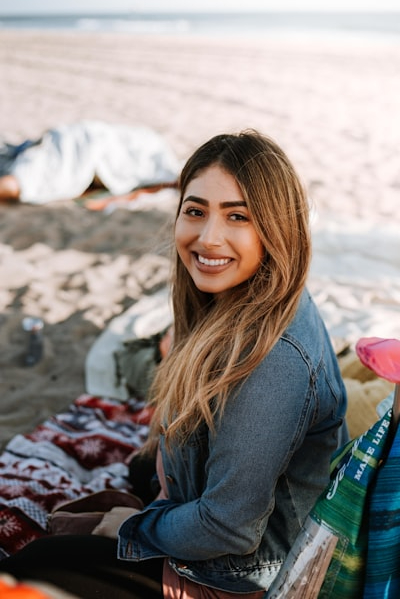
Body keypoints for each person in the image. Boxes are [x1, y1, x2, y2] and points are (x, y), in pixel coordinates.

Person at [0, 130, 348, 598]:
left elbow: (227, 530)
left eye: (237, 216)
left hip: (234, 577)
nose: (208, 238)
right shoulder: (234, 295)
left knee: (34, 563)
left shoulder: (274, 361)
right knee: (123, 483)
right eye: (196, 211)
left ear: (276, 228)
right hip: (200, 511)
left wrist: (131, 528)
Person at [0, 120, 180, 204]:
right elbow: (142, 192)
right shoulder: (165, 170)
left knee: (26, 163)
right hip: (86, 149)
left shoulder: (157, 144)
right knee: (25, 183)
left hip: (78, 135)